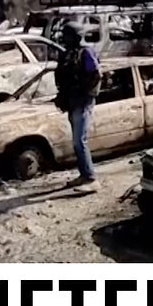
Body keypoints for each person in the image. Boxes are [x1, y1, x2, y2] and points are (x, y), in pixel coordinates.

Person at [56, 22, 101, 192]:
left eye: (67, 35)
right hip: (72, 101)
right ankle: (84, 175)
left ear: (76, 36)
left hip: (82, 101)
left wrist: (84, 93)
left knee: (79, 141)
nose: (64, 39)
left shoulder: (86, 52)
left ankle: (91, 179)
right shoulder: (68, 53)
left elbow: (96, 75)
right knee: (77, 142)